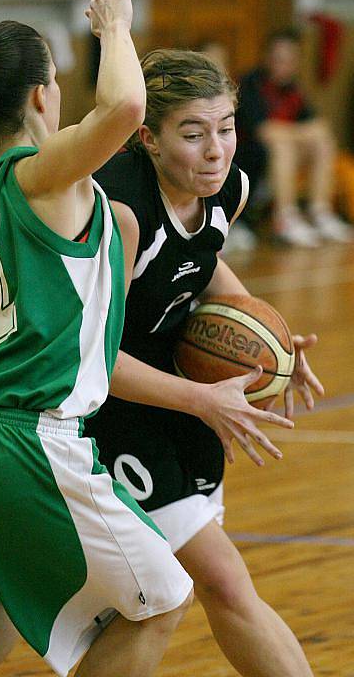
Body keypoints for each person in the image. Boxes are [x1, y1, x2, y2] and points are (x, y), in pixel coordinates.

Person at [0, 0, 194, 677]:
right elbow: (127, 108)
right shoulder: (38, 178)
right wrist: (116, 28)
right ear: (43, 96)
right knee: (160, 598)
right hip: (26, 440)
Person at [84, 48, 324, 677]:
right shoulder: (123, 214)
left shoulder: (229, 188)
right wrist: (202, 399)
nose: (217, 149)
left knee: (190, 595)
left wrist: (267, 338)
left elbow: (204, 260)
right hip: (111, 411)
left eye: (225, 127)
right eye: (193, 134)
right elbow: (85, 360)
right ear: (149, 139)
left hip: (180, 391)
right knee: (216, 582)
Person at [236, 28, 353, 247]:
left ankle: (320, 212)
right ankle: (285, 218)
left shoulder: (294, 89)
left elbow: (320, 128)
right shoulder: (249, 83)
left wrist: (294, 134)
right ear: (267, 57)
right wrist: (298, 134)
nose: (283, 64)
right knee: (282, 145)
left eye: (289, 59)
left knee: (322, 143)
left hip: (285, 157)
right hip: (249, 161)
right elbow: (263, 131)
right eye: (278, 58)